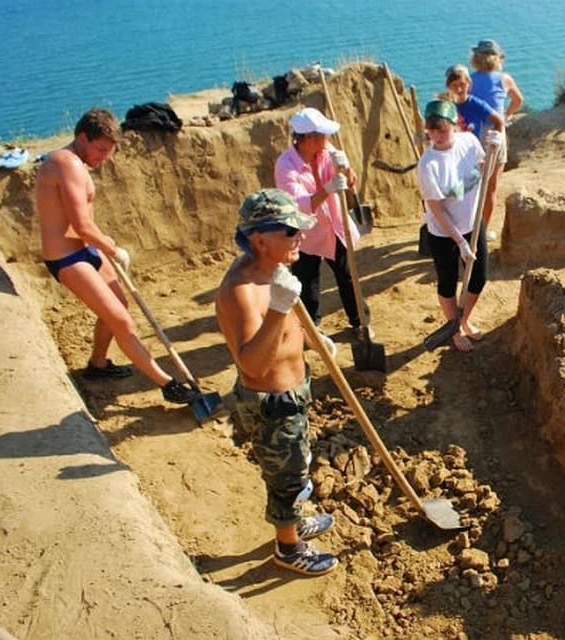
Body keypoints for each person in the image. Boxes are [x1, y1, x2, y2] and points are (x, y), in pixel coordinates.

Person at [35, 107, 199, 404]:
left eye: (109, 151)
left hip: (84, 249)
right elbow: (83, 226)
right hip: (67, 259)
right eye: (100, 150)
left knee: (119, 305)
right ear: (82, 138)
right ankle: (169, 385)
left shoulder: (77, 163)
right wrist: (113, 250)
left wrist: (105, 243)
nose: (104, 158)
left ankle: (97, 366)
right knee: (122, 322)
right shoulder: (66, 164)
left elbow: (82, 221)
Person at [215, 189, 339, 577]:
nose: (300, 236)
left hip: (293, 396)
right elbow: (251, 365)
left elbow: (288, 328)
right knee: (285, 479)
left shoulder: (274, 272)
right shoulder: (241, 292)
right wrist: (278, 309)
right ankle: (288, 547)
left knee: (297, 465)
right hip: (270, 405)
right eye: (290, 231)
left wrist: (314, 338)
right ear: (260, 239)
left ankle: (295, 520)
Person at [274, 107, 368, 342]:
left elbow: (349, 180)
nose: (328, 139)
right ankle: (311, 330)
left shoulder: (327, 150)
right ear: (307, 139)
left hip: (334, 226)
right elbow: (299, 204)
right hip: (305, 233)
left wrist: (346, 168)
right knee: (307, 281)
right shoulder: (285, 165)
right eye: (323, 135)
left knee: (348, 275)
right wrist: (327, 190)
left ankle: (360, 321)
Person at [417, 100, 502, 352]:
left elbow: (483, 168)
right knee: (448, 281)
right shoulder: (428, 164)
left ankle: (461, 321)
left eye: (442, 130)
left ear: (454, 125)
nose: (436, 136)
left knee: (479, 277)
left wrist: (494, 151)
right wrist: (460, 241)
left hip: (473, 223)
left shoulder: (469, 142)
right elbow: (437, 209)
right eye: (431, 131)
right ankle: (454, 331)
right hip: (443, 232)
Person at [469, 39, 524, 235]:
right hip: (495, 133)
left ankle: (467, 228)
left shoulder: (469, 80)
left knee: (471, 185)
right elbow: (518, 100)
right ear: (496, 58)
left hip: (473, 135)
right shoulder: (504, 79)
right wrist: (506, 115)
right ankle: (482, 232)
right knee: (490, 187)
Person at [444, 64, 504, 141]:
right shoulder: (445, 105)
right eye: (454, 85)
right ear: (448, 86)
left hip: (472, 150)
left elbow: (499, 121)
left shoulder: (476, 104)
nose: (459, 89)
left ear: (468, 83)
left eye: (462, 84)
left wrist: (495, 141)